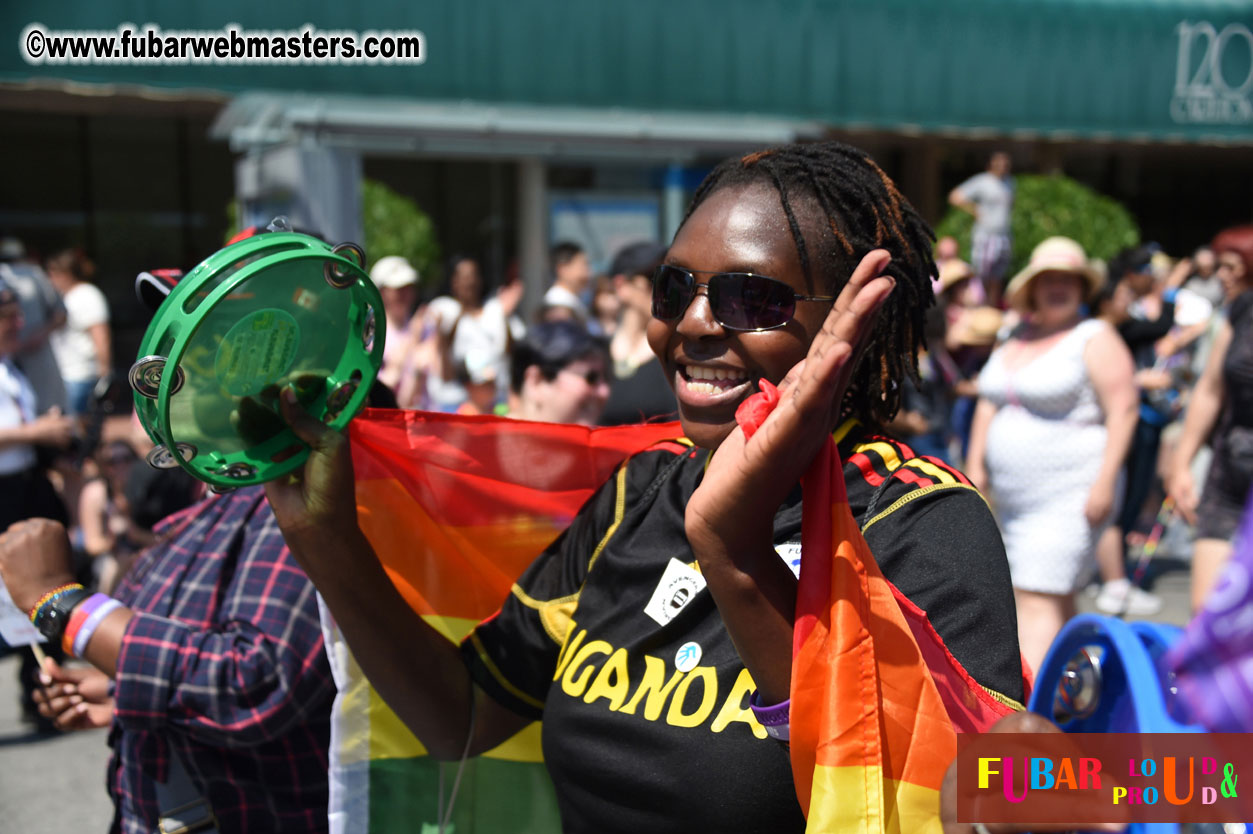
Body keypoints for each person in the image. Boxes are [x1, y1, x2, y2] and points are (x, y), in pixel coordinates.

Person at [261, 141, 1024, 832]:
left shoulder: (920, 521)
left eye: (750, 299)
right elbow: (460, 717)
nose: (691, 324)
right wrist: (323, 538)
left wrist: (731, 548)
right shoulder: (642, 489)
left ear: (858, 325)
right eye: (673, 288)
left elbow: (967, 803)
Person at [0, 485, 337, 834]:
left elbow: (253, 682)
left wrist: (60, 602)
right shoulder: (222, 501)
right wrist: (119, 690)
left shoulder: (291, 496)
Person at [968, 237, 1137, 673]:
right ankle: (1081, 695)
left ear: (1082, 288)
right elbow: (988, 402)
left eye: (1069, 280)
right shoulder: (1015, 335)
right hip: (1013, 501)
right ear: (1034, 288)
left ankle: (1029, 715)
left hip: (1071, 492)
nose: (1059, 288)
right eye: (1049, 280)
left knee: (1034, 595)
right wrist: (974, 465)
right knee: (1054, 597)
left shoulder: (1094, 336)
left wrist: (1104, 483)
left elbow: (1124, 410)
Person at [1168, 225, 1253, 611]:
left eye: (1232, 267)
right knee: (1207, 613)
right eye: (1220, 266)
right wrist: (1181, 462)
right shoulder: (1237, 311)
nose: (1222, 276)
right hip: (1230, 473)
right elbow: (1210, 389)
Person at [600, 240, 678, 425]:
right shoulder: (594, 353)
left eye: (670, 279)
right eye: (654, 278)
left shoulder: (676, 352)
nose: (665, 288)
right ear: (621, 286)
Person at [0, 237, 68, 415]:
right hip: (8, 358)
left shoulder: (34, 274)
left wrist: (40, 334)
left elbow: (61, 314)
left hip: (36, 359)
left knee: (46, 411)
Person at [506, 320, 612, 426]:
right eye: (591, 378)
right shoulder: (492, 441)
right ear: (537, 381)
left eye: (606, 378)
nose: (604, 391)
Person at [45, 249, 112, 417]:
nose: (50, 279)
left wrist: (104, 373)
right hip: (65, 374)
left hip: (81, 374)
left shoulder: (87, 295)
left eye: (53, 274)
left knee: (80, 428)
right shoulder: (64, 296)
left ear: (66, 273)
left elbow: (101, 336)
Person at [949, 151, 1015, 307]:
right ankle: (979, 308)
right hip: (985, 235)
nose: (1001, 166)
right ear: (990, 164)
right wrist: (974, 210)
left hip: (1004, 235)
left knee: (998, 277)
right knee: (981, 275)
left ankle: (991, 310)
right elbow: (955, 197)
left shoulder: (1010, 183)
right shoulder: (982, 181)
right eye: (998, 163)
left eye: (1004, 164)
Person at [541, 241, 592, 323]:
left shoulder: (574, 300)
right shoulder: (556, 304)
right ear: (562, 268)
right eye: (583, 265)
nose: (589, 273)